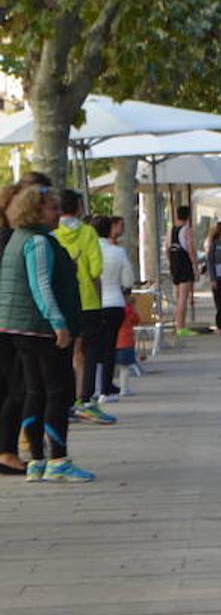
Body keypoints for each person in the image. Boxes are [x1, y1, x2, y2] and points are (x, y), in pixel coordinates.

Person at [0, 182, 94, 482]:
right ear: (37, 211)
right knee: (57, 391)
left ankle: (38, 462)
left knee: (34, 391)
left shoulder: (18, 238)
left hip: (18, 326)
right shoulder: (39, 242)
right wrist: (59, 323)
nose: (58, 214)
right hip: (40, 328)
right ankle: (58, 458)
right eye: (53, 209)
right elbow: (40, 285)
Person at [53, 190, 113, 424]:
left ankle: (65, 401)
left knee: (65, 352)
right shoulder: (87, 233)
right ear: (78, 207)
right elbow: (96, 269)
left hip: (61, 302)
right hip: (87, 300)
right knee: (86, 353)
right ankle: (84, 399)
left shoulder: (53, 234)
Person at [0, 181, 30, 474]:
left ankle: (7, 449)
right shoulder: (13, 240)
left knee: (9, 386)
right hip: (10, 323)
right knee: (18, 387)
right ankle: (7, 450)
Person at [92, 216, 134, 402]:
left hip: (93, 304)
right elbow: (128, 280)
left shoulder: (89, 251)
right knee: (110, 347)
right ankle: (105, 389)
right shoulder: (118, 252)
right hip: (115, 302)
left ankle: (91, 387)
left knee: (92, 348)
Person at [167, 205, 199, 336]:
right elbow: (191, 249)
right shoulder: (187, 230)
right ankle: (180, 326)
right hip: (184, 262)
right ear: (188, 217)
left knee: (178, 295)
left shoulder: (171, 231)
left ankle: (177, 323)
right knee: (183, 297)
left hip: (174, 262)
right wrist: (195, 265)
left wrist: (171, 263)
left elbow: (166, 249)